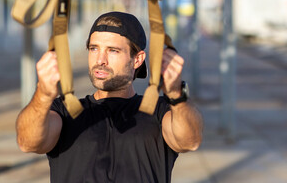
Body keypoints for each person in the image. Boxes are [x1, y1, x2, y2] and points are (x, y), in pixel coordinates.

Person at [15, 11, 203, 183]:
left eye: (113, 50)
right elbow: (28, 142)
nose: (100, 60)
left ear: (137, 59)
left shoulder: (159, 111)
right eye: (94, 48)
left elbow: (189, 141)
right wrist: (43, 95)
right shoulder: (64, 111)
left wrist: (176, 94)